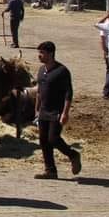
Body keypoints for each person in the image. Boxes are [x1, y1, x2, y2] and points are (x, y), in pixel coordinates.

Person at [33, 41, 82, 179]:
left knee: (53, 138)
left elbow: (68, 93)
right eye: (39, 52)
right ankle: (50, 170)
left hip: (56, 111)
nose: (39, 55)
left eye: (42, 53)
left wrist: (65, 113)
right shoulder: (41, 70)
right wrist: (37, 109)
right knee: (43, 140)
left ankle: (73, 155)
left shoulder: (62, 71)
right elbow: (39, 92)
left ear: (51, 53)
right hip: (43, 111)